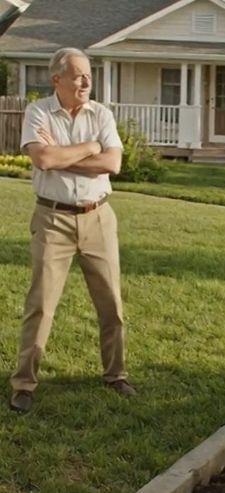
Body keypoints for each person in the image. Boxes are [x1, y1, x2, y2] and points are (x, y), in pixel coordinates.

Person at [9, 47, 136, 413]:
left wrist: (65, 155)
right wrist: (89, 148)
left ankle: (116, 375)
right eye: (78, 76)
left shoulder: (102, 114)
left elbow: (112, 163)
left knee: (111, 304)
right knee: (41, 305)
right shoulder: (38, 112)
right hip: (53, 220)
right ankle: (24, 384)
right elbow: (43, 158)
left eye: (88, 76)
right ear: (57, 79)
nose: (85, 82)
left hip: (99, 218)